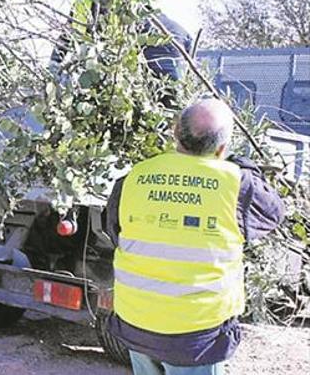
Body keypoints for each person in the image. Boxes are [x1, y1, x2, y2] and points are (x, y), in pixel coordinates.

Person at [104, 98, 286, 375]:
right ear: (223, 147)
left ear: (175, 132)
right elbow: (274, 214)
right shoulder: (236, 184)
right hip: (196, 337)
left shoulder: (132, 178)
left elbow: (115, 233)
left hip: (136, 325)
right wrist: (244, 166)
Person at [52, 0, 194, 81]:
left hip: (163, 42)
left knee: (168, 95)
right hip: (172, 37)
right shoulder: (82, 4)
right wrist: (54, 62)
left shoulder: (123, 1)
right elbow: (67, 35)